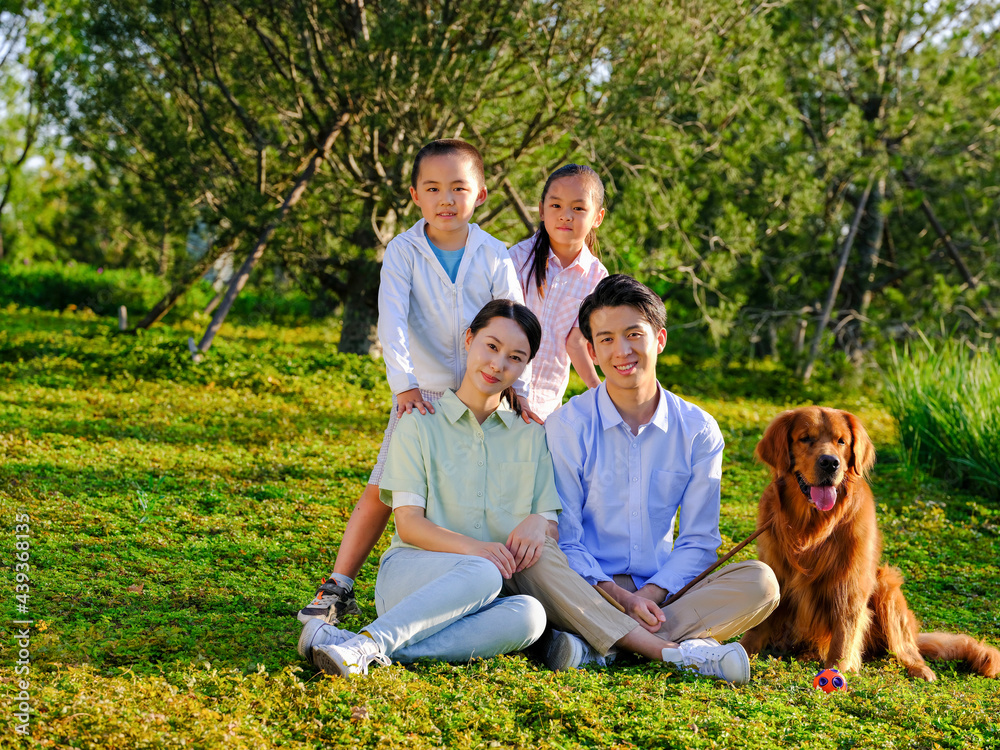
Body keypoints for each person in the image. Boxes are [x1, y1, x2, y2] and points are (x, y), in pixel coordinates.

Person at [297, 140, 539, 625]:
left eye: (458, 188)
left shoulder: (493, 254)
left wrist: (521, 389)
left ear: (481, 195)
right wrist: (404, 385)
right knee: (386, 486)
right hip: (425, 395)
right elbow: (393, 320)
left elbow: (518, 321)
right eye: (433, 188)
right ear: (415, 195)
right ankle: (339, 585)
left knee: (486, 489)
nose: (446, 199)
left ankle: (493, 581)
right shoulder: (404, 250)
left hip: (487, 394)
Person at [543, 274, 781, 682]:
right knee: (540, 559)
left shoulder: (698, 429)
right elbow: (567, 538)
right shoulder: (567, 425)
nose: (622, 351)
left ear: (660, 339)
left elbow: (699, 540)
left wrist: (647, 597)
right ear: (593, 351)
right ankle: (667, 646)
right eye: (606, 339)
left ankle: (603, 645)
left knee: (762, 583)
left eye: (634, 334)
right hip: (588, 587)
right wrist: (618, 597)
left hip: (663, 595)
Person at [297, 300, 555, 676]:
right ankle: (372, 643)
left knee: (531, 615)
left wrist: (539, 521)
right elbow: (409, 525)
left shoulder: (531, 434)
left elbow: (549, 523)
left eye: (515, 357)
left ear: (526, 366)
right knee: (484, 571)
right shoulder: (418, 424)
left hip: (487, 594)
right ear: (469, 340)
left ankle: (358, 646)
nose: (499, 364)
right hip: (412, 578)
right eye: (492, 346)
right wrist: (477, 551)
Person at [507, 164, 609, 420]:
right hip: (501, 390)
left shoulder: (597, 277)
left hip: (546, 401)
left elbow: (575, 342)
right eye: (556, 206)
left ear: (598, 217)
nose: (566, 215)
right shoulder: (516, 259)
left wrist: (601, 392)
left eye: (578, 208)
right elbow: (500, 328)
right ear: (541, 210)